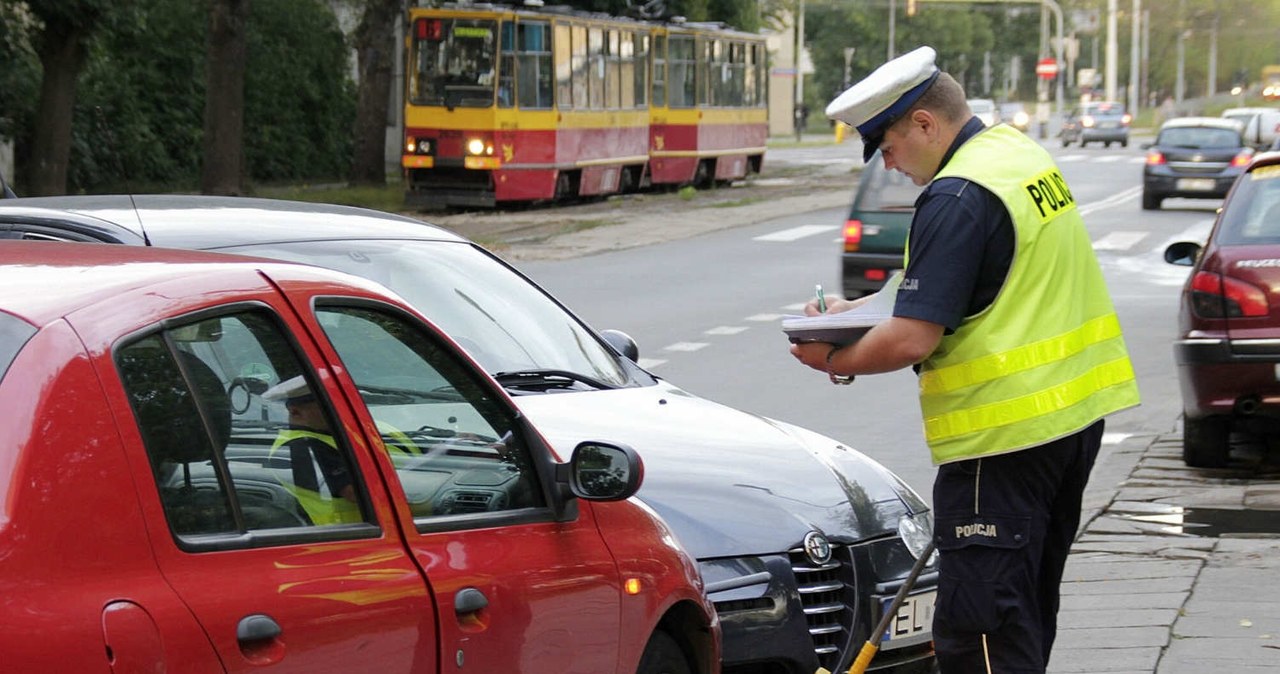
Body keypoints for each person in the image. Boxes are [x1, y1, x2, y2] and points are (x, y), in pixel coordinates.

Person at [789, 46, 1140, 673]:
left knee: (979, 629)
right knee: (1024, 609)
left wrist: (831, 360)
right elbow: (962, 284)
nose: (889, 166)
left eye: (888, 147)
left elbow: (913, 338)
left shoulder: (956, 196)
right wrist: (859, 307)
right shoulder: (1015, 156)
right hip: (1068, 422)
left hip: (1000, 437)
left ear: (925, 123)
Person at [263, 375, 361, 525]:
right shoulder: (308, 444)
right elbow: (354, 493)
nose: (339, 410)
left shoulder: (322, 436)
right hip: (341, 531)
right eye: (328, 406)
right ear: (295, 412)